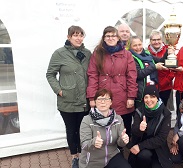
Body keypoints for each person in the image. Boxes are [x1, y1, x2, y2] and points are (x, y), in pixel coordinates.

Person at [46, 25, 91, 168]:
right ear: (69, 37)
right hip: (67, 100)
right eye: (75, 35)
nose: (78, 38)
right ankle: (74, 157)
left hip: (84, 101)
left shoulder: (88, 53)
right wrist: (59, 90)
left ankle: (84, 155)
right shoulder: (59, 53)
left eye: (81, 35)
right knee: (71, 130)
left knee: (83, 129)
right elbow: (50, 74)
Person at [86, 26, 137, 138]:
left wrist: (131, 97)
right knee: (105, 128)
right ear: (104, 38)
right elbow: (92, 76)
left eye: (113, 35)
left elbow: (131, 77)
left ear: (118, 38)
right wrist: (91, 98)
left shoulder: (127, 55)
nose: (110, 38)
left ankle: (123, 151)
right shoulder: (97, 54)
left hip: (122, 96)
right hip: (103, 96)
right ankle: (109, 153)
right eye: (107, 36)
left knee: (124, 126)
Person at [79, 89, 131, 168]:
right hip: (92, 160)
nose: (103, 102)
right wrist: (93, 142)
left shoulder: (118, 119)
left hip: (112, 156)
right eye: (100, 99)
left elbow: (120, 143)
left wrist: (123, 140)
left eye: (106, 99)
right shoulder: (87, 120)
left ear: (111, 102)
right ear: (95, 102)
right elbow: (84, 145)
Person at [127, 85, 172, 168]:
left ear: (157, 98)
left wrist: (140, 146)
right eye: (146, 97)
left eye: (152, 97)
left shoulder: (165, 114)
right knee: (144, 156)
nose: (149, 100)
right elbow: (134, 132)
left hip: (158, 147)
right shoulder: (139, 111)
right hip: (143, 149)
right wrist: (139, 129)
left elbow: (161, 138)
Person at [129, 36, 166, 108]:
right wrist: (154, 67)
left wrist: (168, 52)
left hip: (153, 91)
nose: (138, 47)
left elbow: (161, 61)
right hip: (141, 94)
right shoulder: (130, 57)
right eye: (135, 45)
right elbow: (138, 74)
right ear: (130, 47)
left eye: (139, 44)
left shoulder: (147, 54)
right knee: (142, 117)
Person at [147, 30, 174, 106]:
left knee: (164, 110)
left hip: (165, 87)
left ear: (162, 40)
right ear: (150, 41)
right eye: (154, 40)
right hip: (151, 87)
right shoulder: (146, 52)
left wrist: (165, 82)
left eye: (158, 39)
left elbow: (173, 69)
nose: (156, 42)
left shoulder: (169, 50)